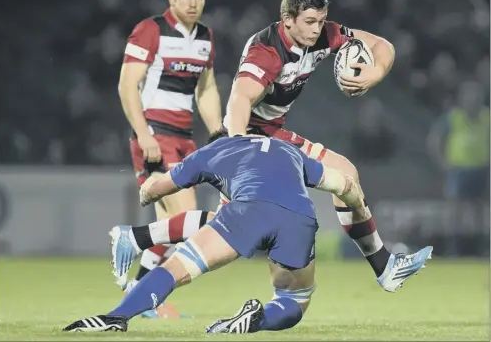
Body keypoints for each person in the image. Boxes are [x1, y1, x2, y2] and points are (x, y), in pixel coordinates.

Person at [63, 136, 432, 333]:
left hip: (246, 212)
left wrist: (147, 191)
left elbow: (159, 189)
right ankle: (256, 321)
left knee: (178, 267)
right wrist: (360, 207)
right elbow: (343, 184)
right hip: (298, 218)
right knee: (296, 297)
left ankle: (116, 317)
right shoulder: (290, 151)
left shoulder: (214, 152)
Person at [219, 0, 402, 289]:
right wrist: (240, 151)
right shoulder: (267, 51)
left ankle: (384, 267)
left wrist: (373, 74)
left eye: (320, 20)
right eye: (309, 22)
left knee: (346, 174)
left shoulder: (325, 34)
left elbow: (382, 45)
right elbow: (239, 100)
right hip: (251, 141)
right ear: (287, 20)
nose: (317, 29)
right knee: (227, 239)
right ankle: (144, 240)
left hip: (274, 135)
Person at [118, 0, 222, 316]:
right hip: (156, 135)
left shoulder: (205, 36)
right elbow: (127, 85)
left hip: (184, 139)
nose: (193, 3)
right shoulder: (151, 30)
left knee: (171, 228)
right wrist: (144, 133)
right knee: (189, 219)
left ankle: (138, 290)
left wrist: (219, 133)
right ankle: (129, 241)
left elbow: (206, 89)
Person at [427, 81, 490, 256]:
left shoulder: (487, 117)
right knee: (455, 211)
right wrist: (442, 162)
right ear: (462, 98)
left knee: (481, 212)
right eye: (469, 96)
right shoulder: (453, 117)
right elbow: (434, 139)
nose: (473, 100)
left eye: (476, 97)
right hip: (458, 170)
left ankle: (481, 248)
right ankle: (453, 248)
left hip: (482, 169)